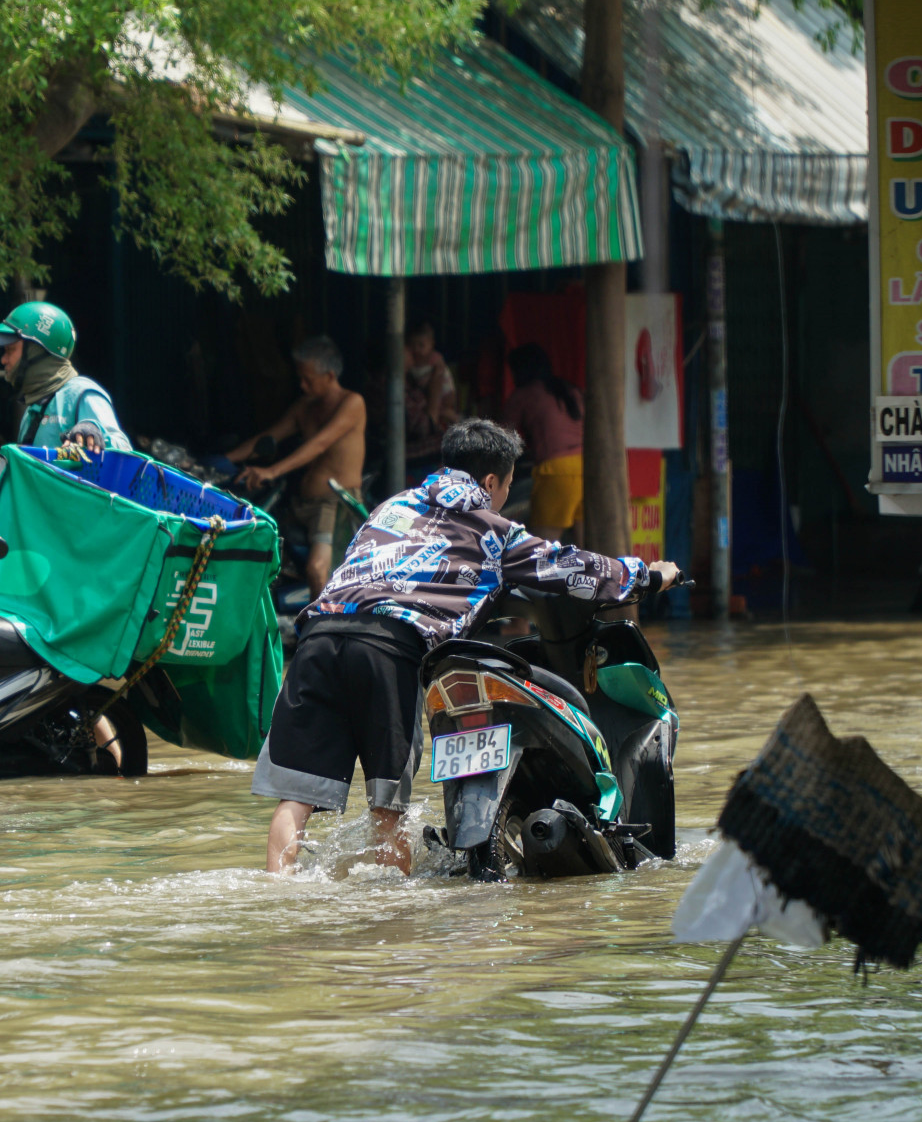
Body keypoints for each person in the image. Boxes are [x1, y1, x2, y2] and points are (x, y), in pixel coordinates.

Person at [254, 418, 682, 874]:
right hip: (388, 651)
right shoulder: (493, 531)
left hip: (317, 638)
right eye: (506, 486)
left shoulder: (390, 508)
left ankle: (280, 897)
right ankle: (388, 920)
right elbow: (573, 567)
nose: (502, 498)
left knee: (294, 802)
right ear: (492, 480)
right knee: (387, 816)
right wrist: (650, 575)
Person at [226, 336, 368, 597]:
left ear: (329, 375)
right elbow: (269, 437)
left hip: (333, 504)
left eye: (308, 379)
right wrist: (226, 459)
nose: (302, 385)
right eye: (300, 378)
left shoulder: (352, 403)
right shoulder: (305, 406)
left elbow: (319, 444)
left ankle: (320, 633)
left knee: (317, 569)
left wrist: (271, 471)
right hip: (301, 504)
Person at [0, 301, 130, 457]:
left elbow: (124, 452)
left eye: (10, 350)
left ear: (35, 350)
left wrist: (94, 430)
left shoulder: (81, 394)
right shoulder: (32, 411)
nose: (3, 360)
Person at [501, 343, 586, 540]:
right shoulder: (569, 389)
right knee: (588, 548)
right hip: (587, 469)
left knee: (543, 546)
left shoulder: (524, 395)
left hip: (557, 472)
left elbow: (502, 438)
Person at [402, 320, 458, 466]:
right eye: (411, 345)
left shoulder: (435, 362)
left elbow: (448, 393)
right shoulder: (405, 380)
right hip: (420, 446)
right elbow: (425, 427)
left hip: (442, 403)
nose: (416, 350)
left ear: (432, 344)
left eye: (421, 345)